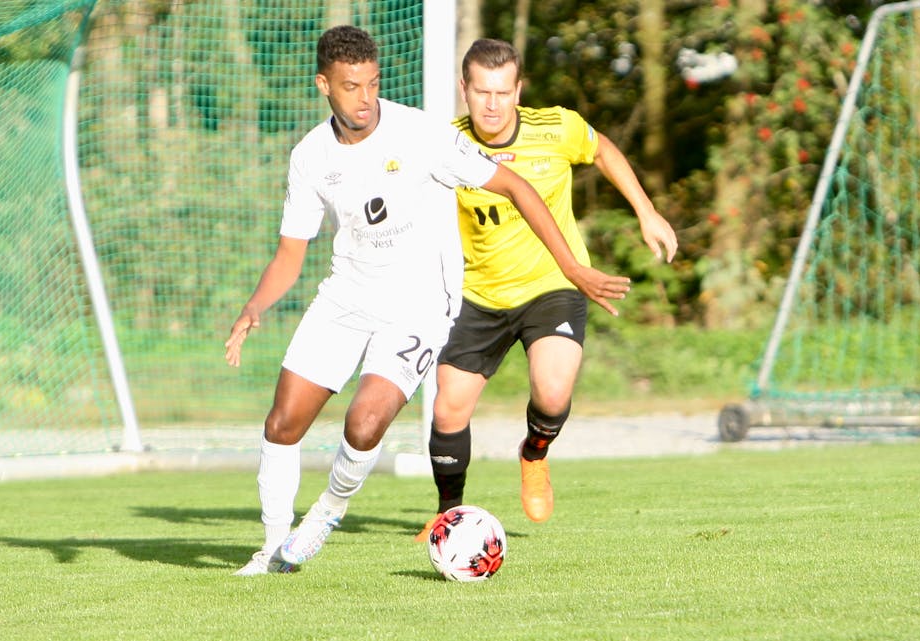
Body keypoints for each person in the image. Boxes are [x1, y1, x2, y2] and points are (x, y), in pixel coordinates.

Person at [225, 26, 633, 575]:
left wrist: (571, 265)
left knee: (364, 424)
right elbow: (289, 256)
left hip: (418, 304)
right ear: (324, 84)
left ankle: (327, 512)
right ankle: (273, 551)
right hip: (345, 297)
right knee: (282, 424)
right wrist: (255, 307)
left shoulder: (420, 133)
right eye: (351, 87)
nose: (365, 98)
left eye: (372, 84)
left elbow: (515, 186)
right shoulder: (309, 156)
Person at [415, 38, 678, 541]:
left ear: (519, 90)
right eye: (481, 92)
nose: (492, 105)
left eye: (503, 92)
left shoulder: (556, 126)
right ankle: (449, 517)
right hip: (477, 294)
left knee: (554, 391)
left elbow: (602, 149)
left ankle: (534, 453)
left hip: (553, 283)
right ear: (463, 89)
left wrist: (646, 211)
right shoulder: (443, 144)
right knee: (449, 406)